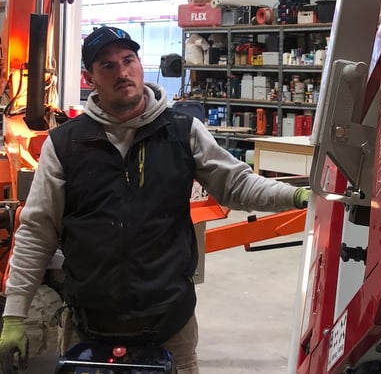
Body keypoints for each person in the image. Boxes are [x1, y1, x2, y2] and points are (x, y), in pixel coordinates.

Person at [0, 26, 310, 374]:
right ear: (89, 78)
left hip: (169, 328)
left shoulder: (182, 131)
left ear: (139, 64)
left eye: (128, 60)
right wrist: (14, 313)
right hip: (88, 327)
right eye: (107, 66)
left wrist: (296, 195)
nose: (122, 72)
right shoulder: (65, 144)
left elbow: (236, 184)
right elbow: (37, 230)